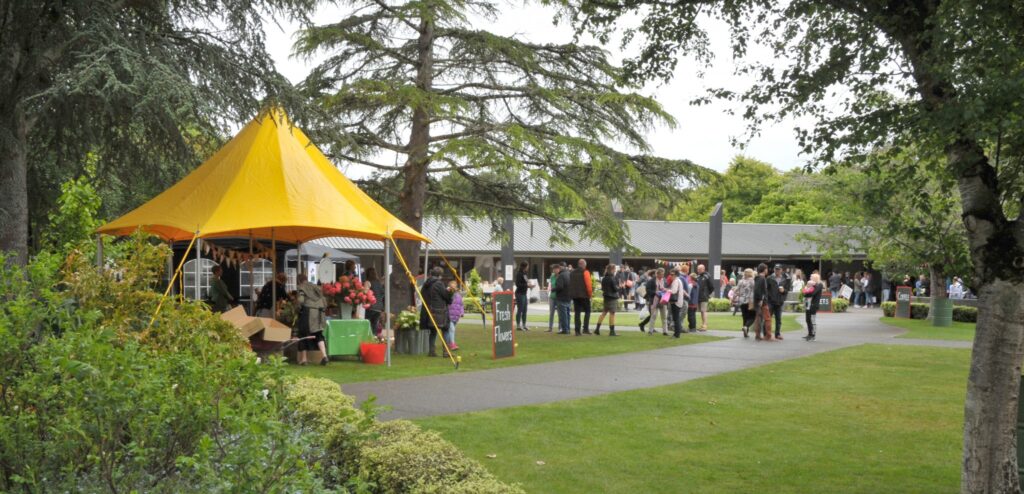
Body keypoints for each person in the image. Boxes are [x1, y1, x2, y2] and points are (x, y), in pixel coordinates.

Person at [296, 273, 329, 365]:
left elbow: (301, 300)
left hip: (308, 313)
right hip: (320, 313)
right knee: (318, 334)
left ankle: (304, 359)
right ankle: (324, 356)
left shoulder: (301, 287)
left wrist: (297, 308)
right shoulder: (316, 287)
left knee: (303, 334)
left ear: (298, 280)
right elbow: (325, 301)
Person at [420, 267, 453, 357]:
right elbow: (446, 297)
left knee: (433, 331)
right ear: (440, 275)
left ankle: (431, 351)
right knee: (445, 330)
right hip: (439, 311)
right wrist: (450, 292)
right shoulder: (439, 284)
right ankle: (446, 352)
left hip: (429, 311)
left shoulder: (426, 284)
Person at [568, 259, 593, 336]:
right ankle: (585, 328)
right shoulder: (585, 272)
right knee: (587, 311)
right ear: (584, 265)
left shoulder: (572, 273)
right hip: (584, 295)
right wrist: (590, 295)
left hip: (575, 296)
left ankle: (577, 330)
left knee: (577, 313)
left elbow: (571, 284)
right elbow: (588, 285)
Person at [638, 268, 667, 335]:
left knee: (664, 316)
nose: (662, 276)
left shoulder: (664, 280)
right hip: (654, 300)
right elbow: (648, 290)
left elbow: (667, 288)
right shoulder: (651, 281)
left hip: (663, 300)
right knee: (653, 316)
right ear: (657, 274)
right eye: (661, 274)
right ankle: (650, 331)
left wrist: (665, 290)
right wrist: (655, 292)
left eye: (663, 274)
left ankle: (665, 331)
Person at [594, 264, 620, 336]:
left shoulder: (604, 278)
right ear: (612, 270)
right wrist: (619, 287)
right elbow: (615, 289)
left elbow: (603, 288)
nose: (615, 270)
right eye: (614, 269)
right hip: (612, 298)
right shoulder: (612, 278)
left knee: (604, 313)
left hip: (606, 297)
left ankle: (597, 329)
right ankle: (612, 331)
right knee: (612, 313)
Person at [768, 264, 790, 340]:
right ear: (774, 269)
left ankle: (777, 334)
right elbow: (766, 290)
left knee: (778, 319)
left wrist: (784, 291)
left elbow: (787, 290)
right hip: (770, 302)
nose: (777, 270)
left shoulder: (785, 279)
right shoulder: (769, 278)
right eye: (776, 269)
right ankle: (767, 334)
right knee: (768, 319)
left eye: (778, 269)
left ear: (781, 270)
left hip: (779, 302)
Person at [753, 263, 773, 341]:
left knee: (758, 318)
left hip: (757, 301)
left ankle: (757, 335)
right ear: (764, 270)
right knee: (767, 318)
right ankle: (768, 335)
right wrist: (761, 299)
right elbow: (760, 291)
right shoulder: (762, 278)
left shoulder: (757, 278)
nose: (767, 270)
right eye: (766, 269)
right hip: (762, 301)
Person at [364, 267, 386, 336]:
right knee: (375, 326)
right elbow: (383, 293)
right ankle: (375, 339)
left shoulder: (368, 282)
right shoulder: (379, 283)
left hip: (370, 307)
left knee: (368, 326)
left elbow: (365, 293)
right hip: (379, 308)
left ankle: (370, 340)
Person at [667, 267, 688, 338]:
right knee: (676, 318)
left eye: (672, 274)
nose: (671, 276)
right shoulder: (678, 280)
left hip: (676, 302)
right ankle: (677, 334)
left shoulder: (676, 281)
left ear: (676, 274)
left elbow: (674, 291)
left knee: (676, 319)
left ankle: (676, 334)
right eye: (670, 274)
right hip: (678, 301)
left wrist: (667, 290)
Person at [802, 273, 824, 341]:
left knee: (812, 320)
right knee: (807, 319)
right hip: (808, 304)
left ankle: (813, 335)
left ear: (815, 278)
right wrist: (806, 290)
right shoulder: (810, 285)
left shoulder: (819, 285)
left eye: (811, 277)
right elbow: (805, 294)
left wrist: (808, 290)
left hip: (814, 304)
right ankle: (809, 334)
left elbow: (812, 293)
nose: (810, 278)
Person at [735, 268, 756, 337]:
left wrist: (733, 299)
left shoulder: (740, 281)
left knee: (745, 317)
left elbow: (736, 290)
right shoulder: (753, 281)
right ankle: (746, 326)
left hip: (741, 301)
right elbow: (755, 291)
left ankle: (745, 332)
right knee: (753, 316)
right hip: (750, 301)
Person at [552, 263, 572, 334]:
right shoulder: (569, 274)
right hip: (569, 297)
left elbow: (560, 287)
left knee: (563, 315)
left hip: (562, 297)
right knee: (567, 314)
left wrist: (553, 289)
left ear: (558, 269)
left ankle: (565, 329)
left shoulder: (561, 276)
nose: (553, 271)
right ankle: (568, 328)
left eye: (554, 270)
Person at [696, 264, 714, 331]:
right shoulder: (698, 277)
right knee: (701, 311)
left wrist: (707, 294)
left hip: (704, 296)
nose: (698, 270)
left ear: (703, 269)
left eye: (699, 269)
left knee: (704, 311)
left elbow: (712, 287)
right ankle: (702, 324)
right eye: (697, 269)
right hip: (699, 296)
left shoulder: (707, 276)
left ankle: (705, 325)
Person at [447, 280, 464, 351]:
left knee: (451, 330)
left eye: (455, 285)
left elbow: (461, 304)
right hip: (449, 315)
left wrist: (462, 312)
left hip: (456, 316)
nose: (454, 287)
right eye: (452, 285)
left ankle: (448, 343)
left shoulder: (458, 295)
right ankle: (452, 344)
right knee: (452, 329)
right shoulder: (447, 293)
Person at [514, 261, 530, 331]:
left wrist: (529, 285)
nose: (528, 268)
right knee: (520, 309)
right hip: (519, 293)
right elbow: (518, 284)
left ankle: (524, 325)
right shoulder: (519, 274)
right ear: (525, 266)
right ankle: (518, 325)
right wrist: (527, 285)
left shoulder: (525, 274)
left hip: (524, 293)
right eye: (527, 266)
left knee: (525, 310)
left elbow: (525, 282)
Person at [547, 264, 559, 332]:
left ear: (558, 269)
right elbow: (551, 285)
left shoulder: (560, 276)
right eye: (553, 269)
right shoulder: (552, 276)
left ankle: (560, 328)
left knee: (559, 313)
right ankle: (550, 327)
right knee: (551, 312)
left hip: (558, 297)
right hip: (552, 296)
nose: (554, 270)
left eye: (555, 269)